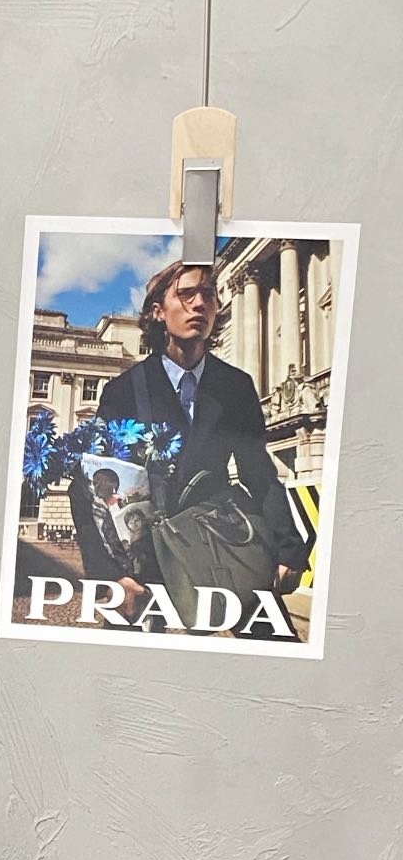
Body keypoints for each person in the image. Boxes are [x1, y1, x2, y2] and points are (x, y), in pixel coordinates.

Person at [69, 259, 310, 632]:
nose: (199, 303)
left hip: (222, 541)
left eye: (208, 294)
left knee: (275, 645)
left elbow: (259, 474)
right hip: (146, 558)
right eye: (185, 294)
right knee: (125, 659)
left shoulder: (236, 386)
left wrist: (290, 550)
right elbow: (87, 488)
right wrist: (111, 577)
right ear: (158, 312)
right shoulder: (124, 390)